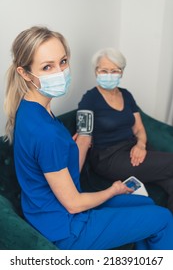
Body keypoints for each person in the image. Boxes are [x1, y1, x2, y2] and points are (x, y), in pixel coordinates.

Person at [4, 26, 173, 250]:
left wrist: (81, 144)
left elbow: (61, 169)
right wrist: (113, 189)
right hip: (66, 228)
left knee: (145, 202)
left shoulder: (30, 108)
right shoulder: (46, 132)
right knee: (163, 219)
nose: (60, 72)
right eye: (47, 67)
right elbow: (73, 204)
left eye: (63, 61)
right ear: (25, 73)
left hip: (47, 209)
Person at [78, 47, 173, 213]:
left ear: (121, 72)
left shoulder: (126, 95)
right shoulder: (89, 99)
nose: (109, 74)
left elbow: (138, 127)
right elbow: (83, 137)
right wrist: (73, 178)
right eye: (104, 70)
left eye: (114, 70)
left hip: (133, 148)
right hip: (109, 158)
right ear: (96, 72)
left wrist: (141, 144)